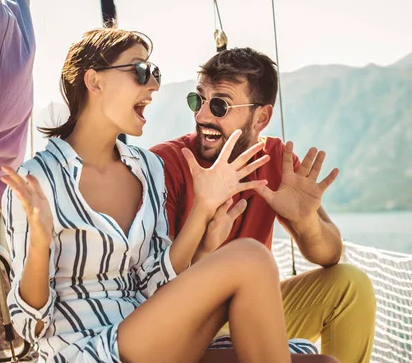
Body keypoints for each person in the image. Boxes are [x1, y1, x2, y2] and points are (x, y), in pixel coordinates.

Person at [1, 28, 339, 363]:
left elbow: (156, 282)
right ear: (95, 82)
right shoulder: (37, 180)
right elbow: (31, 324)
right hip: (85, 351)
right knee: (251, 257)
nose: (154, 85)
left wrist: (203, 211)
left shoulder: (147, 168)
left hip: (151, 337)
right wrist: (38, 245)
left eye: (155, 73)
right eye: (140, 71)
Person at [150, 47, 377, 363]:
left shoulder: (278, 162)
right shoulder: (165, 163)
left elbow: (329, 254)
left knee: (350, 285)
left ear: (261, 117)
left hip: (251, 309)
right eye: (197, 100)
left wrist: (304, 221)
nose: (202, 116)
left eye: (220, 105)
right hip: (188, 324)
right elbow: (152, 286)